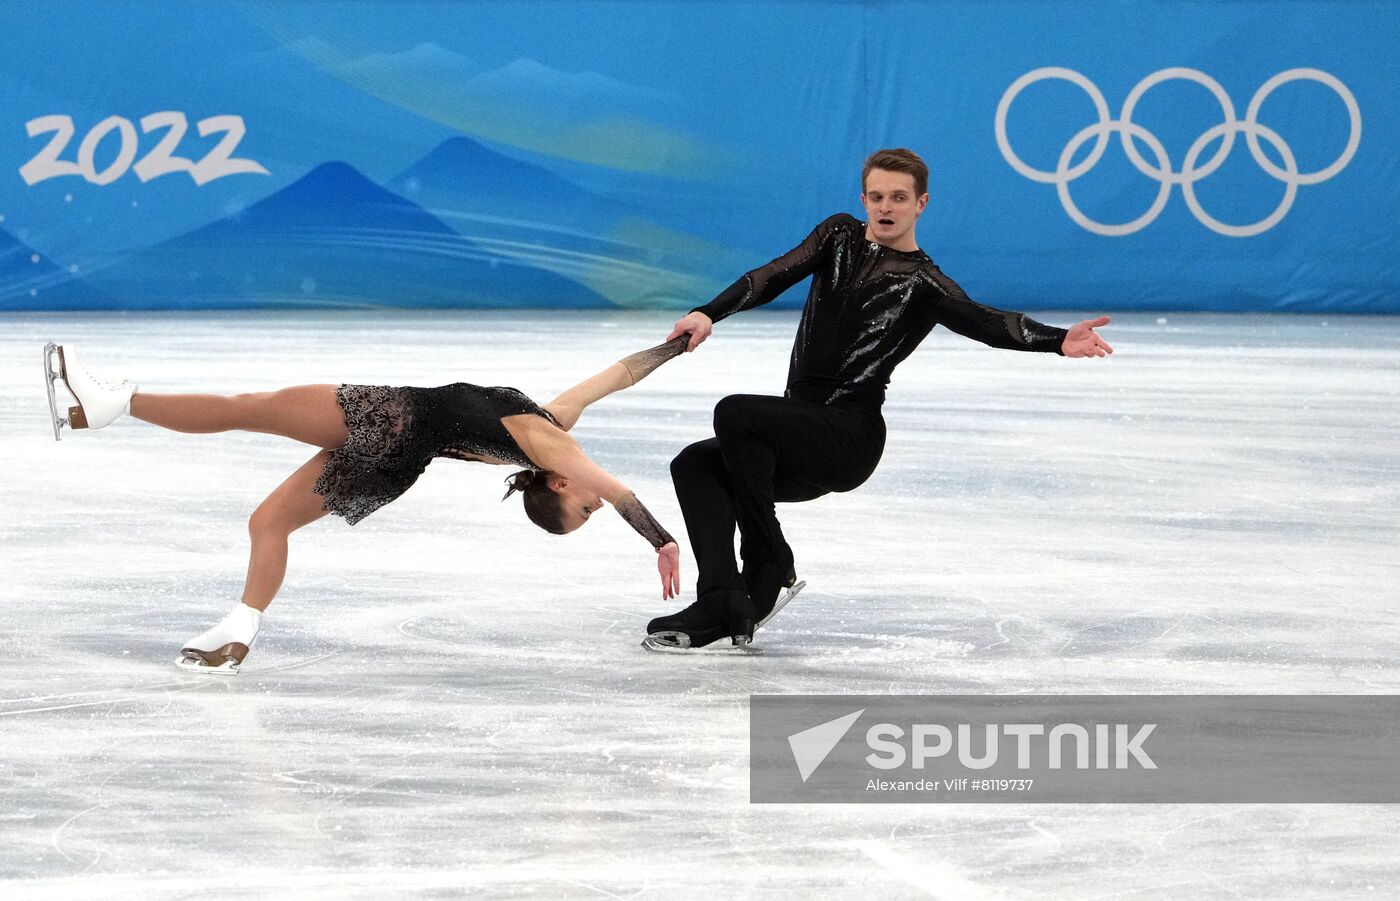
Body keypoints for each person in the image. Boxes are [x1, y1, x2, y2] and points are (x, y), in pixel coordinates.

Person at [646, 148, 1114, 651]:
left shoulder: (923, 282)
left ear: (921, 203)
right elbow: (771, 275)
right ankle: (721, 599)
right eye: (876, 197)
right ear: (863, 199)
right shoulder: (838, 236)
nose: (885, 207)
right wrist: (708, 312)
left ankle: (769, 560)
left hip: (847, 438)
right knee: (694, 464)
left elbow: (987, 321)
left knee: (735, 412)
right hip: (791, 434)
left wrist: (1057, 339)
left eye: (898, 198)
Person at [43, 337, 688, 673]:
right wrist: (675, 347)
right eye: (591, 510)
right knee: (268, 522)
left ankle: (113, 404)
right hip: (397, 458)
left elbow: (619, 490)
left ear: (558, 487)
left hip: (391, 419)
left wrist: (658, 538)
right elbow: (620, 374)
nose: (594, 501)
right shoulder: (549, 425)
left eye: (584, 509)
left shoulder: (550, 448)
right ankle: (239, 631)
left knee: (253, 410)